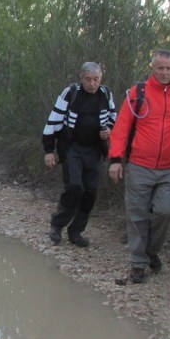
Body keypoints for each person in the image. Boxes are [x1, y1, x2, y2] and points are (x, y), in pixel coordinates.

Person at [108, 49, 170, 284]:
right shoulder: (137, 93)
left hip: (169, 168)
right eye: (160, 68)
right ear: (152, 69)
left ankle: (150, 251)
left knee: (165, 211)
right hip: (139, 165)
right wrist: (116, 160)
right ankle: (138, 264)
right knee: (136, 215)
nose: (165, 72)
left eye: (169, 68)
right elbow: (121, 128)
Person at [42, 62, 116, 247]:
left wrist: (107, 130)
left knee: (90, 193)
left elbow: (114, 120)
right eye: (88, 79)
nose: (92, 84)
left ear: (101, 79)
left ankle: (76, 231)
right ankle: (57, 225)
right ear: (81, 78)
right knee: (74, 187)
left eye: (96, 79)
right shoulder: (70, 93)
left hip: (94, 150)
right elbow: (54, 120)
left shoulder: (105, 94)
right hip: (72, 148)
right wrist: (49, 151)